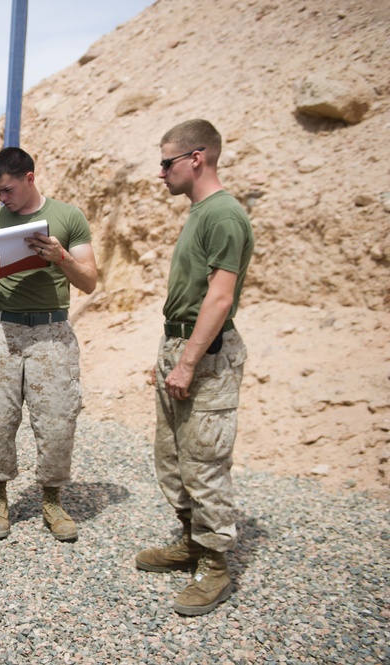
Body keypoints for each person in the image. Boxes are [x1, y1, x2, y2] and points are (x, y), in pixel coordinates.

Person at [136, 119, 254, 616]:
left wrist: (186, 364)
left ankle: (216, 566)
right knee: (173, 459)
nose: (160, 173)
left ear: (196, 158)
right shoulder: (202, 212)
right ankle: (191, 543)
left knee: (205, 464)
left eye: (167, 162)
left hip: (204, 357)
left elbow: (220, 298)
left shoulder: (224, 215)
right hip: (180, 348)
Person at [0, 147, 97, 542]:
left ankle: (52, 500)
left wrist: (60, 257)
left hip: (52, 333)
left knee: (58, 421)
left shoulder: (69, 217)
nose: (2, 199)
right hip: (4, 332)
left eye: (8, 190)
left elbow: (90, 281)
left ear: (29, 177)